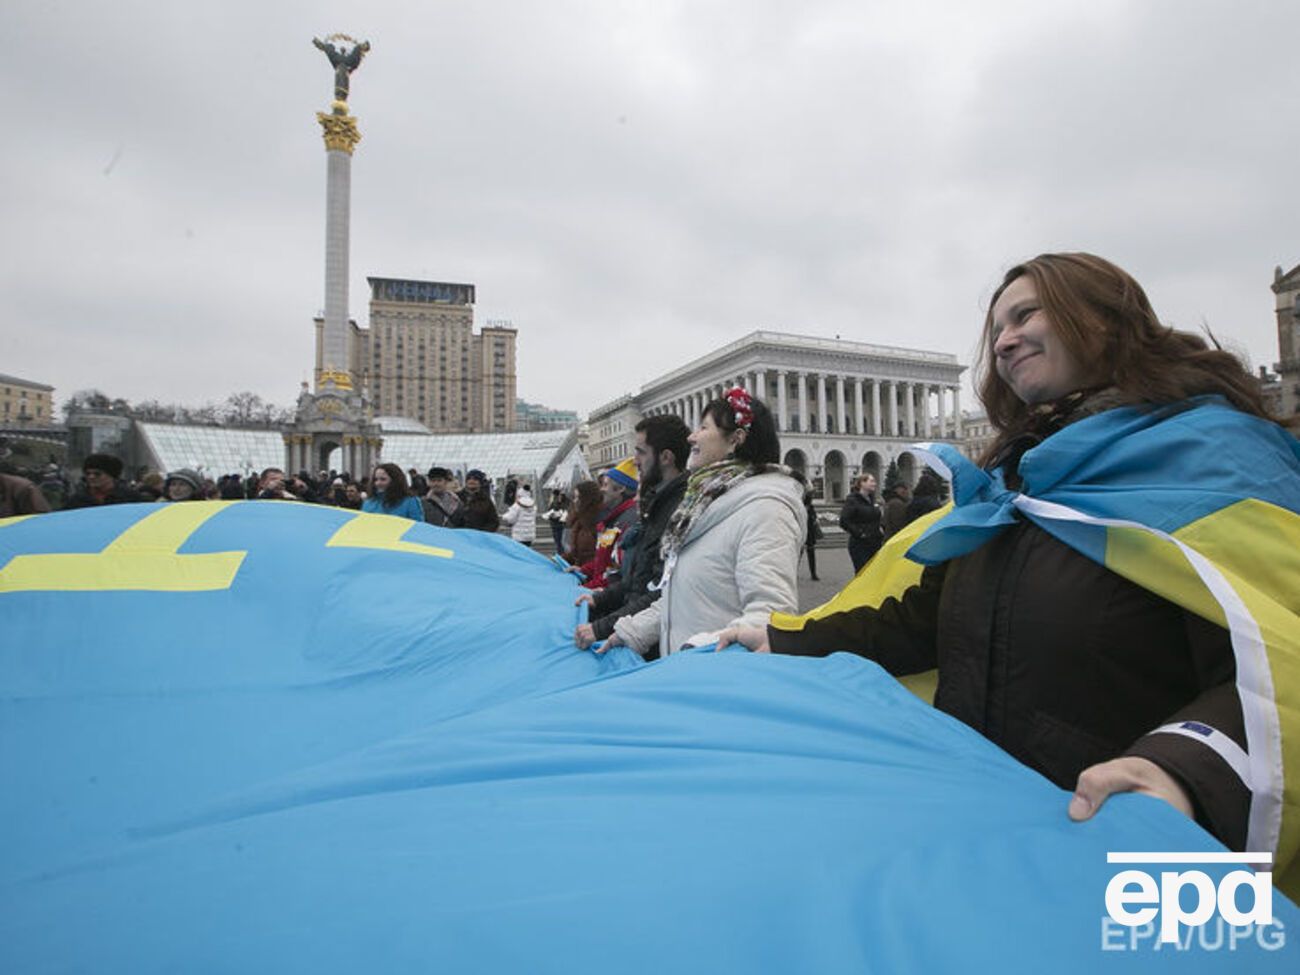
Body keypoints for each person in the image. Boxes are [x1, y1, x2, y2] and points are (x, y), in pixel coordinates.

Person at [717, 252, 1300, 862]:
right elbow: (924, 622)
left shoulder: (1213, 463)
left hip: (1126, 837)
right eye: (996, 329)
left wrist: (1184, 768)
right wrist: (785, 637)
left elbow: (1271, 662)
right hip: (996, 826)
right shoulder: (1018, 483)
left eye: (1026, 315)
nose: (1004, 341)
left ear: (1103, 319)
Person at [604, 387, 804, 656]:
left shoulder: (765, 510)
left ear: (736, 439)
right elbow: (683, 596)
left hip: (716, 682)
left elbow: (768, 617)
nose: (691, 436)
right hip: (686, 671)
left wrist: (699, 653)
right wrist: (632, 632)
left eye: (703, 427)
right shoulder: (704, 504)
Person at [574, 414, 691, 652]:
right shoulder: (658, 503)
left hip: (648, 642)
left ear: (666, 457)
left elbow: (659, 591)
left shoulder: (678, 510)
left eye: (641, 452)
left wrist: (602, 627)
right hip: (632, 629)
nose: (634, 460)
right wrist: (601, 598)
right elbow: (637, 579)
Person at [572, 459, 639, 589]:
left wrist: (587, 589)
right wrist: (583, 570)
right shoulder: (611, 520)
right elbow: (603, 559)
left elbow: (617, 571)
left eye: (605, 485)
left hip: (608, 597)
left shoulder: (628, 522)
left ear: (620, 489)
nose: (601, 490)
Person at [839, 473, 883, 573]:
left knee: (875, 573)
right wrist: (860, 533)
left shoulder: (872, 500)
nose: (874, 484)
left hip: (875, 543)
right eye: (871, 481)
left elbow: (876, 518)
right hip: (860, 545)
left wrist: (880, 528)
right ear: (862, 483)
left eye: (874, 481)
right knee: (863, 573)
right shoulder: (853, 500)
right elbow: (844, 521)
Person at [63, 454, 141, 509]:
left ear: (111, 476)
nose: (91, 477)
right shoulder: (78, 499)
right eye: (88, 473)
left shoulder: (130, 498)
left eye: (97, 474)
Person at [563, 481, 602, 567]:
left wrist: (584, 569)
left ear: (587, 499)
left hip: (591, 574)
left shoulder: (598, 521)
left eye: (578, 497)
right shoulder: (579, 520)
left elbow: (597, 556)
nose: (574, 501)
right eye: (574, 497)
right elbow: (576, 553)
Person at [796, 472, 823, 581]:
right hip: (800, 526)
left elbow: (811, 508)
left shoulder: (808, 502)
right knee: (799, 552)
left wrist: (815, 518)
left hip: (809, 527)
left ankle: (813, 573)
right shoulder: (798, 498)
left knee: (809, 550)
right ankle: (794, 572)